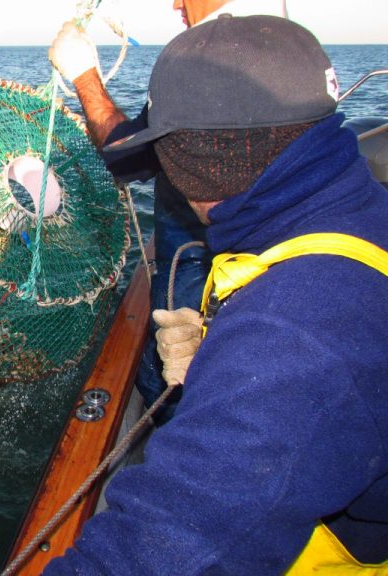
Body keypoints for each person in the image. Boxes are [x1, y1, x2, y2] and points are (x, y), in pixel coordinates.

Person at [44, 15, 388, 574]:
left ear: (192, 163)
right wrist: (218, 346)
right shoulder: (359, 208)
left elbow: (161, 553)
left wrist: (242, 367)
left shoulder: (291, 341)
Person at [50, 0, 288, 424]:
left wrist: (84, 75)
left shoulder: (199, 58)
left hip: (204, 266)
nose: (176, 3)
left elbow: (131, 157)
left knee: (170, 387)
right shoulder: (288, 47)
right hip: (274, 263)